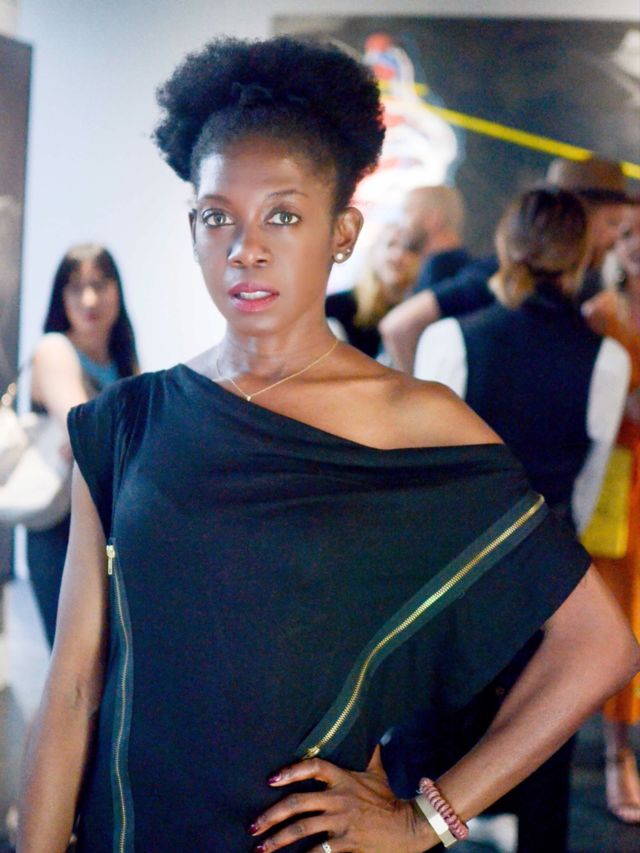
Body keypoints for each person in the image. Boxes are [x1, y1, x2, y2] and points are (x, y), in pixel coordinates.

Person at [17, 37, 639, 853]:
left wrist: (426, 820)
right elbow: (72, 686)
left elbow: (598, 644)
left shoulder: (413, 421)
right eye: (218, 216)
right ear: (193, 226)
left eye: (283, 214)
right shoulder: (126, 420)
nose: (246, 247)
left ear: (343, 231)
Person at [413, 187, 631, 850]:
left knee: (432, 754)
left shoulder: (450, 338)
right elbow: (587, 482)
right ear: (583, 256)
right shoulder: (607, 358)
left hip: (455, 573)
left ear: (506, 246)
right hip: (548, 573)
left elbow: (426, 474)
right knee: (540, 747)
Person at [381, 155, 632, 373]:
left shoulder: (583, 289)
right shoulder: (500, 272)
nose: (616, 238)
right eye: (611, 222)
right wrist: (424, 398)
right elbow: (400, 325)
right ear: (576, 218)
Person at [27, 243, 138, 647]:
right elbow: (86, 435)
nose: (89, 299)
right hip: (60, 525)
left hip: (110, 526)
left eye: (100, 284)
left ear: (117, 290)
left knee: (110, 655)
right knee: (73, 657)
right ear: (62, 296)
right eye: (76, 287)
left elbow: (102, 441)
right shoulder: (54, 349)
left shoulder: (124, 360)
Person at [582, 203, 640, 824]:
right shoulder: (598, 314)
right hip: (616, 486)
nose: (636, 243)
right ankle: (616, 754)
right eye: (626, 233)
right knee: (620, 620)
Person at [325, 223, 423, 357]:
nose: (399, 255)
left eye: (409, 248)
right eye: (390, 245)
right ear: (374, 252)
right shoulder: (335, 306)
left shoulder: (417, 315)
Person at [401, 185, 471, 290]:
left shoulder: (438, 272)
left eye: (408, 211)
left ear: (432, 218)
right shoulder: (463, 270)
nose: (401, 224)